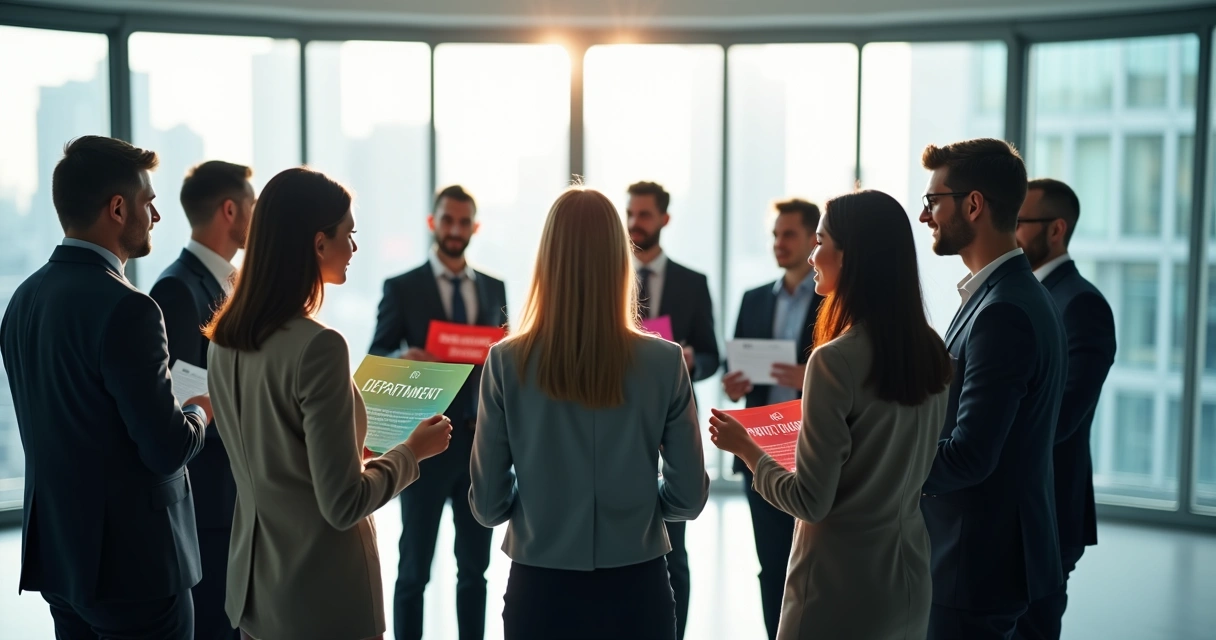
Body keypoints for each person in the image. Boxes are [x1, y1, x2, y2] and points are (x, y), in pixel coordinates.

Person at [204, 167, 454, 640]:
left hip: (257, 593)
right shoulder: (319, 346)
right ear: (319, 244)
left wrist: (349, 451)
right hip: (323, 600)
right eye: (349, 234)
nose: (355, 248)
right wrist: (412, 451)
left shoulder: (224, 340)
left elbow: (276, 460)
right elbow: (343, 504)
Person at [709, 189, 952, 640]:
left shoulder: (834, 360)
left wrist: (747, 448)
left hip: (839, 587)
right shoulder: (932, 349)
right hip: (908, 578)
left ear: (850, 255)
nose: (813, 254)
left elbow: (809, 501)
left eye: (820, 241)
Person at [469, 187, 710, 640]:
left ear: (547, 259)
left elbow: (487, 505)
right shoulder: (664, 361)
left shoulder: (506, 361)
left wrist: (543, 495)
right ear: (621, 259)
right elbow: (688, 499)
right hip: (637, 585)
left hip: (540, 587)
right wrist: (636, 499)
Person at [0, 135, 210, 639]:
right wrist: (203, 409)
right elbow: (167, 449)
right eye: (149, 203)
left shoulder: (22, 301)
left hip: (60, 557)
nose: (156, 216)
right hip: (137, 569)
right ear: (117, 208)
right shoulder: (130, 308)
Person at [917, 139, 1067, 640]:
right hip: (990, 558)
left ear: (973, 204)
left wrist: (879, 464)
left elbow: (970, 456)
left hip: (974, 565)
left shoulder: (1002, 310)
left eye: (933, 200)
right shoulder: (1007, 294)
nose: (925, 216)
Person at [370, 184, 507, 640]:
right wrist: (405, 359)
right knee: (414, 569)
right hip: (424, 446)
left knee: (475, 569)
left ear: (474, 227)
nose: (455, 230)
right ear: (433, 222)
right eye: (447, 220)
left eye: (463, 222)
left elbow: (503, 360)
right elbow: (378, 355)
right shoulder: (403, 287)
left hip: (477, 445)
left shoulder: (494, 288)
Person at [149, 159, 255, 640]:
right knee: (216, 623)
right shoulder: (177, 287)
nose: (256, 213)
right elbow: (180, 403)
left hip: (235, 493)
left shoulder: (230, 284)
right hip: (209, 501)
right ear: (230, 209)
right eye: (252, 203)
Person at [1013, 179, 1116, 640]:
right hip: (1019, 503)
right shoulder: (1026, 295)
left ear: (1056, 229)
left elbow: (1062, 416)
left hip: (1049, 507)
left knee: (1031, 629)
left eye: (1018, 222)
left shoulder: (1081, 303)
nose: (1007, 230)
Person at [722, 198, 823, 640]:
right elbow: (736, 370)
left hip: (812, 447)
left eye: (789, 235)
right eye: (775, 234)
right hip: (759, 447)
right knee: (771, 565)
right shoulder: (754, 299)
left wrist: (810, 377)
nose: (779, 243)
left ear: (812, 239)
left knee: (813, 568)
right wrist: (734, 386)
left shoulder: (832, 301)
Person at [626, 180, 719, 639]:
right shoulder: (611, 276)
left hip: (673, 413)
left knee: (675, 542)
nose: (635, 223)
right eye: (631, 213)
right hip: (623, 415)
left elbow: (711, 354)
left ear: (664, 219)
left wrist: (689, 361)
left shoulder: (692, 283)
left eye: (644, 214)